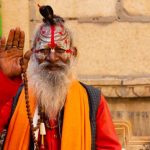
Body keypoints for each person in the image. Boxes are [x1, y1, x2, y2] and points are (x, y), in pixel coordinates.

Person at [0, 5, 121, 150]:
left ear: (73, 53)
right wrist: (5, 81)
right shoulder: (14, 96)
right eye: (44, 50)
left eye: (60, 50)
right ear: (33, 53)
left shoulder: (93, 100)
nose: (52, 58)